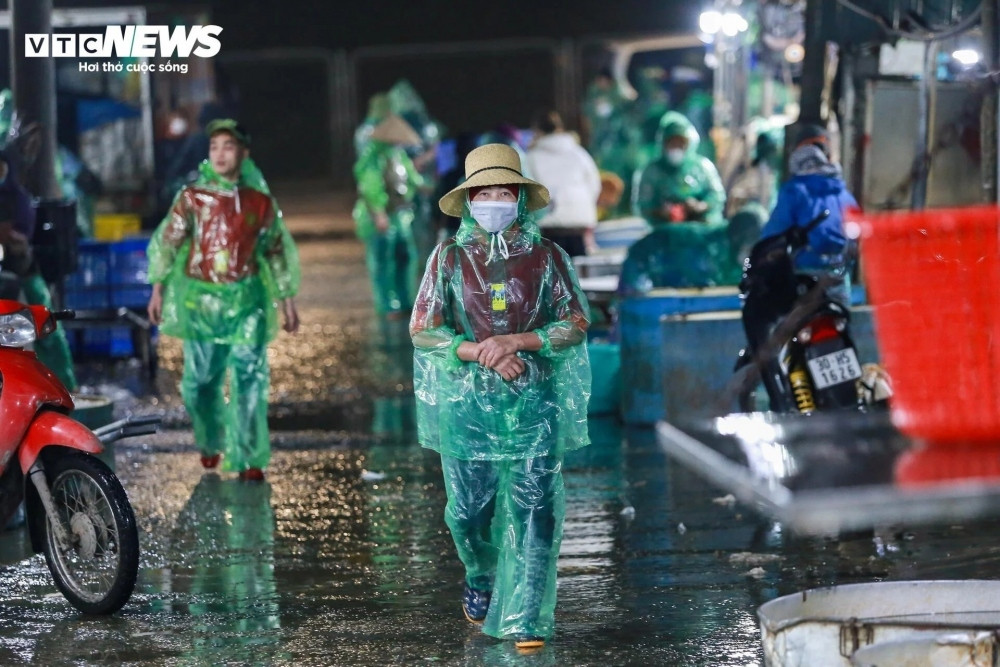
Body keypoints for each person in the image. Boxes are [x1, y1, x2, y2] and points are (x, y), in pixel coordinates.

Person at [410, 144, 591, 651]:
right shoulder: (448, 258)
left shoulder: (549, 258)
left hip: (536, 402)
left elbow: (575, 323)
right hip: (466, 407)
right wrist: (480, 351)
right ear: (469, 200)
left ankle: (526, 617)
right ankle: (481, 570)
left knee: (535, 508)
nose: (493, 200)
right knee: (468, 510)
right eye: (483, 192)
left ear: (520, 198)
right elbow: (423, 328)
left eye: (502, 191)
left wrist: (519, 342)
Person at [146, 119, 300, 481]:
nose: (219, 153)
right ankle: (211, 441)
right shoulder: (192, 199)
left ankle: (249, 458)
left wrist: (287, 300)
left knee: (249, 378)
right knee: (200, 383)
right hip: (202, 304)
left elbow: (276, 251)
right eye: (214, 146)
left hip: (247, 301)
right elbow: (168, 243)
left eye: (227, 146)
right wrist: (158, 288)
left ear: (243, 155)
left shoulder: (259, 204)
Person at [0, 149, 78, 390]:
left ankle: (60, 385)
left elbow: (15, 234)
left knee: (43, 329)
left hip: (23, 273)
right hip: (10, 274)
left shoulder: (15, 198)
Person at [757, 123, 858, 307]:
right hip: (838, 279)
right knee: (842, 325)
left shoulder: (793, 191)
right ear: (827, 155)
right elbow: (858, 236)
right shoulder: (844, 196)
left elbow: (771, 236)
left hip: (803, 279)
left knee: (787, 329)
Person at [352, 113, 424, 320]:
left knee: (404, 257)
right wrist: (379, 214)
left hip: (400, 216)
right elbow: (370, 188)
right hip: (380, 218)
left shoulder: (398, 156)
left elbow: (412, 179)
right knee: (384, 261)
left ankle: (405, 300)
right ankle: (388, 304)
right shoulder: (373, 158)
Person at [525, 109, 602, 257]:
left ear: (536, 131)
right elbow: (594, 184)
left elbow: (530, 190)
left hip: (550, 224)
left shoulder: (531, 157)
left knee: (554, 271)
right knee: (578, 272)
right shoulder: (579, 153)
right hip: (580, 220)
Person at [632, 111, 725, 226]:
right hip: (663, 233)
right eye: (672, 142)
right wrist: (662, 212)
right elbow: (642, 204)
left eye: (681, 143)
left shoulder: (702, 167)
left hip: (701, 228)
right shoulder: (651, 171)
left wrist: (700, 206)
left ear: (689, 144)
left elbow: (717, 196)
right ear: (663, 143)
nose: (676, 148)